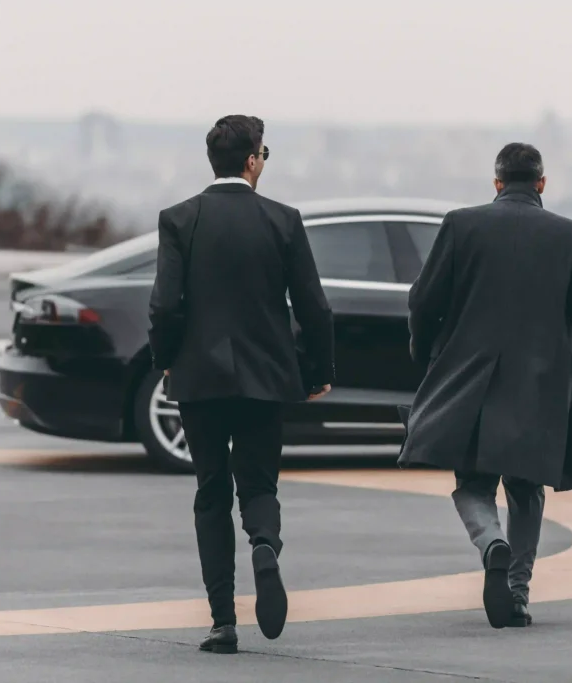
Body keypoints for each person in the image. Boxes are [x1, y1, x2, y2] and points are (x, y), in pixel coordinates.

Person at [398, 142, 572, 629]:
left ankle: (490, 543)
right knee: (527, 489)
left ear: (497, 182)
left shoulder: (461, 224)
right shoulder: (570, 234)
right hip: (541, 381)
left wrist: (426, 353)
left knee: (472, 484)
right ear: (542, 184)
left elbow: (422, 299)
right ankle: (518, 592)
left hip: (469, 376)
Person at [147, 115, 334, 653]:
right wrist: (316, 371)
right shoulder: (283, 220)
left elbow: (164, 304)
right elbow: (315, 308)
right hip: (265, 376)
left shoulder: (180, 219)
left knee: (210, 492)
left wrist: (166, 360)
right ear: (253, 160)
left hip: (199, 378)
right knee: (258, 484)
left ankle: (222, 621)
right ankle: (265, 545)